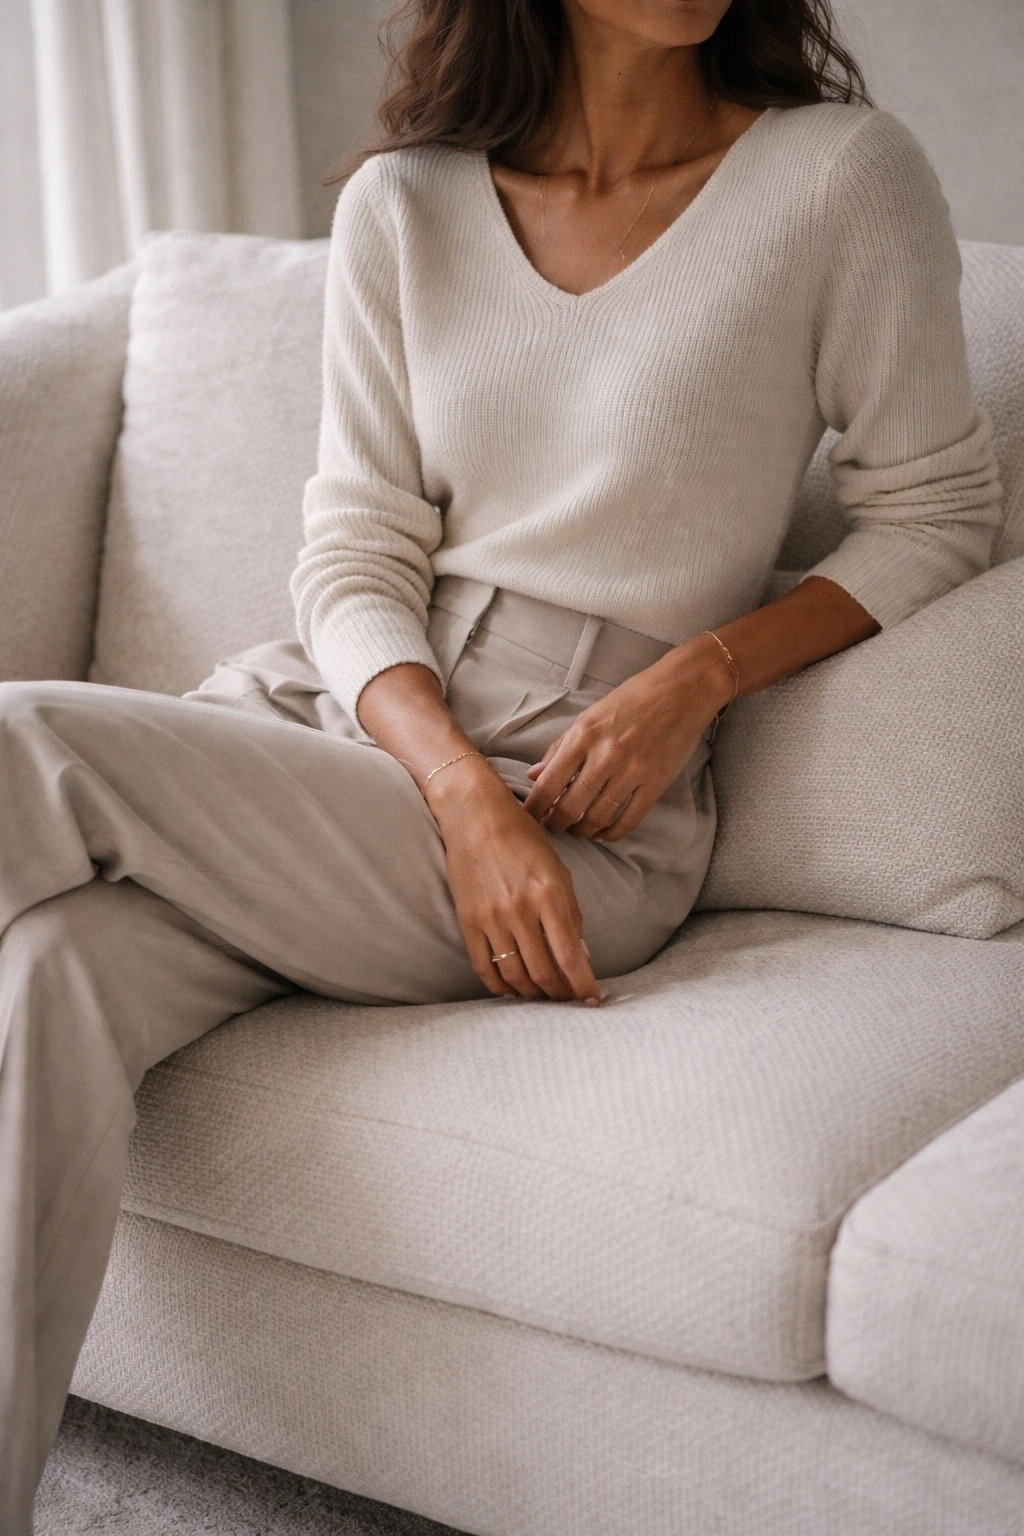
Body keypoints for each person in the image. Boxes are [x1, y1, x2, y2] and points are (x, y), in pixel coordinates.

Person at [0, 0, 1001, 1526]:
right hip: (352, 721)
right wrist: (457, 795)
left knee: (23, 736)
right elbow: (352, 554)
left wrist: (698, 676)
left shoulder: (837, 180)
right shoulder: (405, 205)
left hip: (582, 805)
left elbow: (936, 513)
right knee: (50, 974)